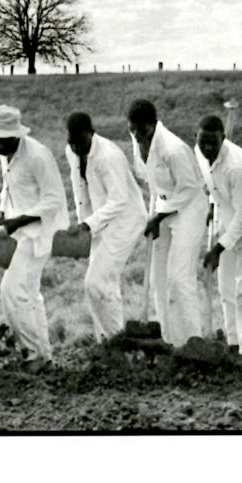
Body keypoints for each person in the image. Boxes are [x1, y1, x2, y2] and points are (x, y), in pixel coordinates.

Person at [0, 105, 69, 368]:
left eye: (2, 139)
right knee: (30, 294)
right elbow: (8, 186)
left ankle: (32, 354)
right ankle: (44, 355)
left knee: (11, 290)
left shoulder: (38, 156)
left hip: (38, 233)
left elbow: (54, 199)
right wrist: (2, 213)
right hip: (18, 231)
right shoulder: (6, 153)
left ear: (16, 135)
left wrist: (18, 220)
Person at [127, 99, 208, 347]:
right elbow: (149, 179)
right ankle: (168, 340)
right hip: (163, 205)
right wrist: (156, 212)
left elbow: (190, 189)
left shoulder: (173, 149)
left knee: (179, 277)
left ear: (154, 124)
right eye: (133, 130)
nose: (138, 136)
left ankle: (194, 341)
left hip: (189, 208)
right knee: (157, 279)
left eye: (142, 130)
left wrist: (159, 217)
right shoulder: (137, 141)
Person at [64, 111, 147, 340]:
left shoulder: (108, 156)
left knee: (96, 282)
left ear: (92, 133)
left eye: (81, 143)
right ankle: (107, 340)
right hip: (98, 221)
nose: (76, 149)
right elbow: (80, 190)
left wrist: (87, 225)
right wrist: (84, 226)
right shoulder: (72, 151)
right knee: (103, 284)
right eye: (72, 143)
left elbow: (119, 200)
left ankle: (116, 341)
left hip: (125, 220)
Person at [195, 115, 242, 358]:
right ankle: (234, 343)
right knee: (226, 287)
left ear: (223, 139)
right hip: (228, 223)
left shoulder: (236, 167)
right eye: (202, 142)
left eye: (212, 143)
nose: (207, 148)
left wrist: (218, 249)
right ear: (196, 138)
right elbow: (213, 185)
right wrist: (210, 204)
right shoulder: (200, 154)